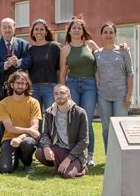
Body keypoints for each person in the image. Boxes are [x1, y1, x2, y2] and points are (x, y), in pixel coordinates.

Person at [59, 16, 98, 166]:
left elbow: (105, 53)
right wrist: (63, 92)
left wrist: (122, 47)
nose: (76, 30)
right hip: (72, 85)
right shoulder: (65, 49)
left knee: (87, 120)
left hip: (89, 85)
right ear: (69, 31)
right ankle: (75, 153)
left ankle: (90, 154)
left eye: (79, 28)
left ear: (83, 31)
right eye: (73, 28)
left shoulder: (90, 45)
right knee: (74, 120)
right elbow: (62, 72)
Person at [0, 18, 30, 145]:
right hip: (0, 88)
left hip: (19, 89)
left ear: (14, 28)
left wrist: (19, 62)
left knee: (19, 118)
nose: (7, 29)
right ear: (0, 28)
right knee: (1, 119)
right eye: (4, 27)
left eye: (10, 27)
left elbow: (28, 61)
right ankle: (4, 148)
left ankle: (20, 147)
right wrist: (5, 65)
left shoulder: (23, 44)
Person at [94, 22, 134, 154]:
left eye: (111, 32)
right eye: (105, 32)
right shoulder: (97, 53)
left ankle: (122, 154)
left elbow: (130, 73)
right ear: (101, 35)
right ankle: (110, 155)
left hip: (121, 95)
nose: (108, 35)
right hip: (103, 95)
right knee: (106, 128)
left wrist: (129, 94)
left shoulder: (124, 51)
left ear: (115, 35)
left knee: (121, 126)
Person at [35, 84, 88, 178]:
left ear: (69, 95)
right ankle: (61, 165)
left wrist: (68, 159)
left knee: (68, 175)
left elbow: (84, 141)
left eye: (62, 93)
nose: (59, 96)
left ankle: (80, 166)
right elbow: (45, 134)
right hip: (59, 148)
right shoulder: (49, 112)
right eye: (56, 94)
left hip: (76, 152)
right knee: (40, 153)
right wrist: (46, 147)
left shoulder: (80, 112)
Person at [0, 70, 41, 174]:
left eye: (23, 83)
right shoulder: (3, 103)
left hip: (26, 138)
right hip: (9, 139)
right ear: (12, 85)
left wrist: (21, 137)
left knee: (28, 143)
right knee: (5, 169)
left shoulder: (34, 103)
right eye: (18, 83)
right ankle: (15, 156)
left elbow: (34, 127)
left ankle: (28, 163)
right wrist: (29, 131)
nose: (20, 86)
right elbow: (10, 128)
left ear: (27, 86)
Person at [28, 19, 60, 114]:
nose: (39, 32)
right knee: (35, 117)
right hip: (34, 88)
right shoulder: (30, 50)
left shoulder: (54, 47)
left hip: (50, 87)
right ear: (33, 33)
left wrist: (59, 87)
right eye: (36, 29)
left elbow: (59, 69)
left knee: (51, 117)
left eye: (42, 29)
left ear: (46, 32)